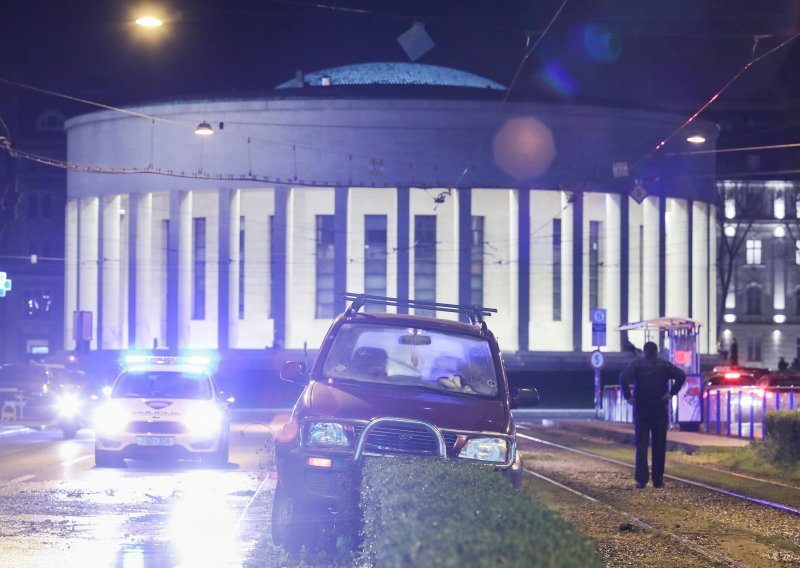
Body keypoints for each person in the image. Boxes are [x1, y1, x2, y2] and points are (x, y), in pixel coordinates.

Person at [619, 341, 686, 489]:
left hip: (641, 409)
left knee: (641, 445)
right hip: (659, 408)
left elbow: (624, 377)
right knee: (659, 445)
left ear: (644, 351)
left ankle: (641, 480)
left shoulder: (637, 364)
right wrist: (671, 393)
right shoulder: (664, 365)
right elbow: (681, 375)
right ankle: (657, 480)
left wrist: (628, 397)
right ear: (656, 352)